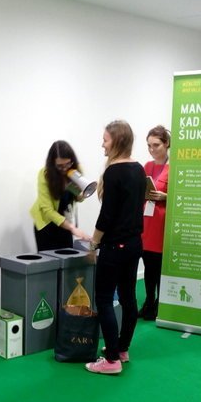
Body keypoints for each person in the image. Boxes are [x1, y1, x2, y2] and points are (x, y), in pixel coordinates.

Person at [85, 120, 146, 375]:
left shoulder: (113, 173)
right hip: (134, 244)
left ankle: (111, 360)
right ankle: (122, 349)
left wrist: (93, 243)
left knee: (104, 299)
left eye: (105, 140)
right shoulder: (139, 169)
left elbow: (106, 216)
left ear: (117, 141)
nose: (102, 144)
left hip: (114, 246)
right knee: (128, 296)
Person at [29, 140, 92, 251]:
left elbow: (77, 198)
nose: (65, 169)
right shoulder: (45, 175)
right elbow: (47, 210)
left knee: (67, 257)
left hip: (65, 222)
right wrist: (72, 228)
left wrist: (81, 194)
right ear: (52, 163)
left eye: (68, 164)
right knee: (49, 260)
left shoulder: (75, 170)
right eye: (60, 166)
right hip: (47, 224)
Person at [140, 125, 170, 320]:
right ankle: (149, 301)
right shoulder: (147, 166)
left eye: (156, 145)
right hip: (146, 220)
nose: (152, 149)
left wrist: (165, 196)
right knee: (148, 265)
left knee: (158, 266)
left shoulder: (173, 168)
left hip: (161, 221)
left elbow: (182, 195)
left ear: (166, 144)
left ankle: (160, 303)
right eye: (149, 145)